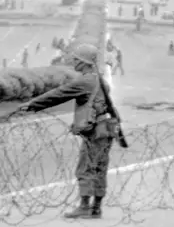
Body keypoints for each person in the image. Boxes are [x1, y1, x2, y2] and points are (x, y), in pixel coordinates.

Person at [17, 44, 123, 219]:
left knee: (86, 167)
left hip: (95, 130)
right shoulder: (100, 80)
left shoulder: (86, 81)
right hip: (107, 128)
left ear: (84, 62)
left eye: (76, 59)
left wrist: (32, 105)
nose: (73, 61)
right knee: (99, 168)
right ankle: (96, 208)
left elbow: (59, 94)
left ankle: (84, 207)